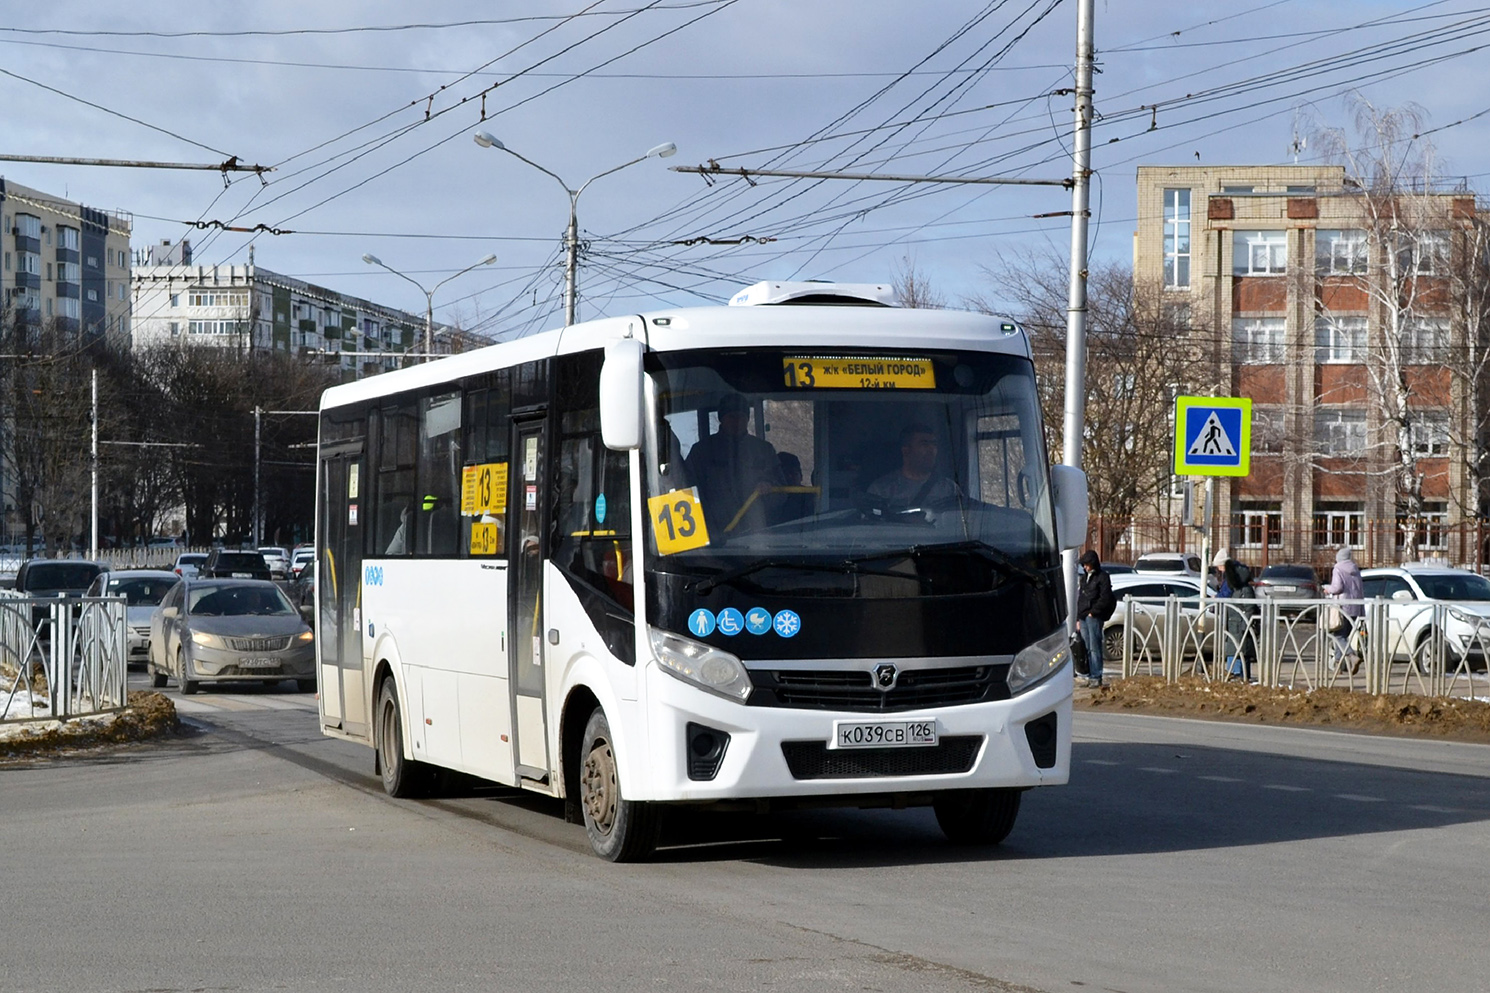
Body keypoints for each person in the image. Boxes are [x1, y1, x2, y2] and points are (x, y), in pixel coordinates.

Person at [683, 393, 781, 533]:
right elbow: (686, 489)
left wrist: (769, 488)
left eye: (741, 417)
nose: (736, 421)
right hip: (714, 533)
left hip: (758, 532)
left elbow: (783, 491)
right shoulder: (702, 451)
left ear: (747, 419)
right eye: (731, 417)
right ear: (721, 419)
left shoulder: (763, 449)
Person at [866, 423, 961, 512]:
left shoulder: (949, 489)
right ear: (906, 451)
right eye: (924, 444)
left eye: (934, 444)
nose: (931, 450)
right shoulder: (882, 489)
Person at [1075, 549, 1116, 688]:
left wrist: (1094, 612)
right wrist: (1078, 617)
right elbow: (1081, 598)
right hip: (1084, 616)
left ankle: (1096, 675)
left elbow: (1105, 597)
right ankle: (1088, 674)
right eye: (1084, 565)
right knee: (1086, 647)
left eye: (1087, 564)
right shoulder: (1084, 578)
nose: (1085, 567)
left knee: (1094, 646)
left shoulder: (1102, 577)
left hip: (1093, 616)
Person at [1323, 544, 1364, 673]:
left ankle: (1352, 656)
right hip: (1355, 608)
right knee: (1343, 637)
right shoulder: (1355, 569)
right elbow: (1361, 590)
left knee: (1338, 636)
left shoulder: (1338, 568)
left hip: (1342, 607)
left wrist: (1327, 589)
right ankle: (1338, 666)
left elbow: (1337, 588)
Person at [1218, 558, 1257, 681]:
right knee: (1233, 653)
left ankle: (1239, 676)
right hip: (1233, 628)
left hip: (1240, 629)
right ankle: (1235, 674)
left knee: (1240, 654)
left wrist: (1246, 629)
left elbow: (1249, 610)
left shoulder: (1245, 590)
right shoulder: (1236, 590)